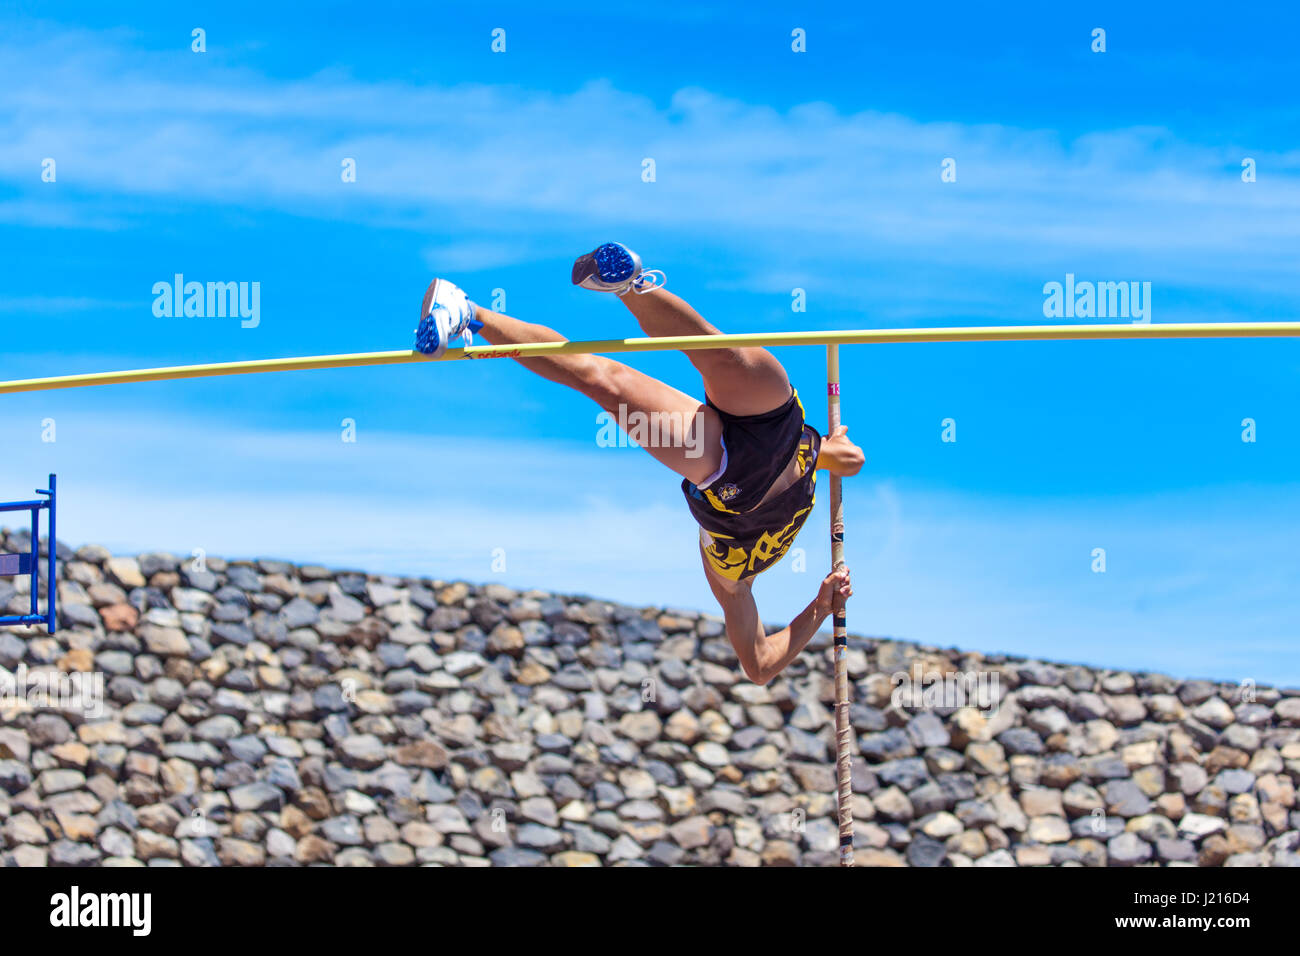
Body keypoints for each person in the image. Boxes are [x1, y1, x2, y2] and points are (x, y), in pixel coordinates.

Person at [417, 243, 863, 684]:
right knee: (719, 352)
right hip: (777, 427)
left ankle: (467, 312)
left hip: (723, 472)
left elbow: (760, 666)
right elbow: (834, 458)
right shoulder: (804, 473)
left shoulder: (730, 585)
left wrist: (821, 607)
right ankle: (630, 284)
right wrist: (836, 455)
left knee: (602, 379)